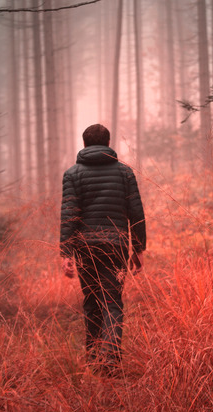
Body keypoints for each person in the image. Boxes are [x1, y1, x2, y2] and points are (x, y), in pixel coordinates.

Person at [60, 123, 146, 376]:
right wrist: (138, 249)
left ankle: (94, 360)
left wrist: (66, 252)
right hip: (116, 245)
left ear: (85, 144)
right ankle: (110, 360)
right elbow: (136, 213)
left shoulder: (72, 174)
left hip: (85, 247)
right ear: (108, 144)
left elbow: (69, 215)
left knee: (92, 302)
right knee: (112, 302)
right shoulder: (125, 173)